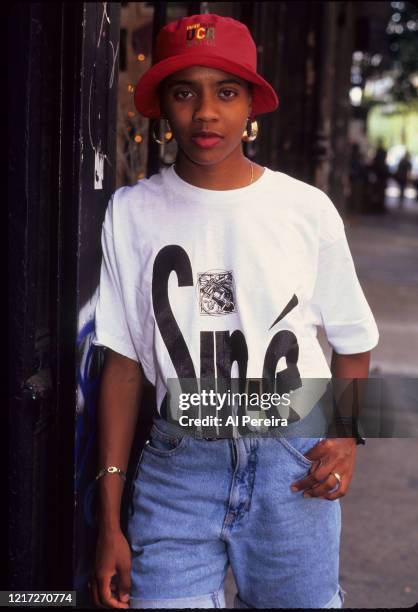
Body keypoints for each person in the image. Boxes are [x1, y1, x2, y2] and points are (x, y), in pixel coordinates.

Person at [89, 13, 379, 609]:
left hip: (291, 464)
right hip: (178, 465)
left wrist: (346, 435)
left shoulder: (305, 209)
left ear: (251, 105)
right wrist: (110, 519)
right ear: (162, 108)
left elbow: (353, 338)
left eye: (225, 92)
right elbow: (120, 366)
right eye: (184, 92)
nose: (205, 113)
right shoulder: (131, 213)